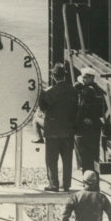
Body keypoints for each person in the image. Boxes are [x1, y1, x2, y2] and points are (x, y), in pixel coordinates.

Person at [39, 63, 77, 191]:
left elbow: (43, 107)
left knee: (51, 160)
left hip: (52, 132)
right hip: (68, 132)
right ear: (64, 75)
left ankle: (53, 184)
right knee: (67, 161)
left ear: (53, 76)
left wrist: (41, 93)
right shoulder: (73, 91)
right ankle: (66, 185)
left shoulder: (51, 91)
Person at [74, 67, 106, 174]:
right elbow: (103, 109)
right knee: (94, 154)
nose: (83, 80)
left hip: (85, 127)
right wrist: (93, 118)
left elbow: (80, 108)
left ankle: (87, 179)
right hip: (95, 126)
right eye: (83, 78)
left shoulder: (85, 91)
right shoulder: (99, 91)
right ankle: (95, 177)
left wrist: (83, 119)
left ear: (91, 78)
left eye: (85, 78)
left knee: (85, 155)